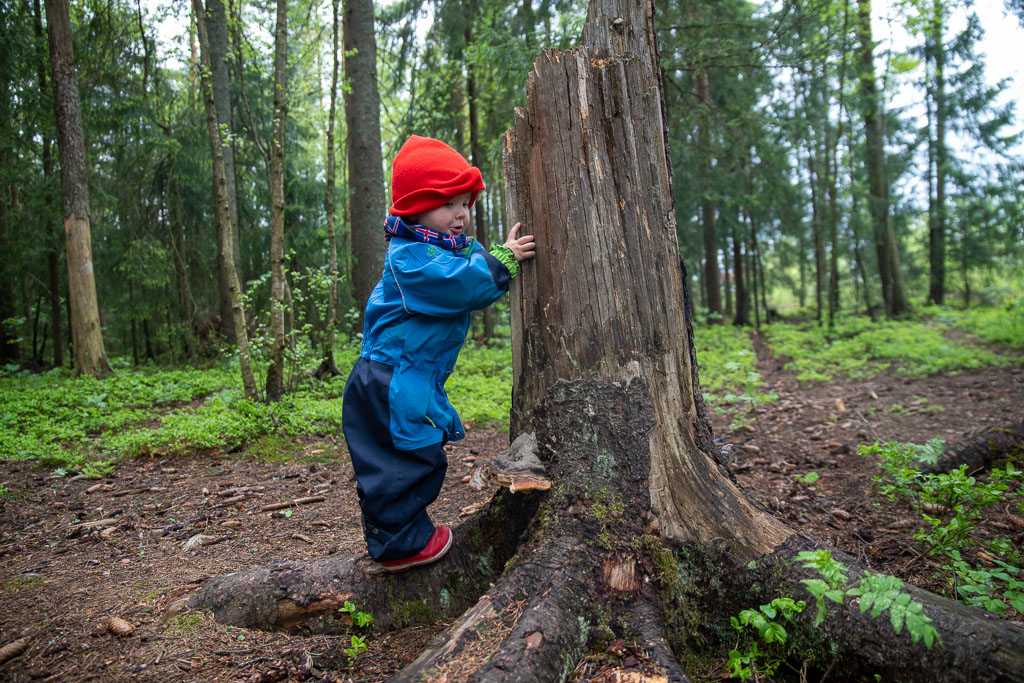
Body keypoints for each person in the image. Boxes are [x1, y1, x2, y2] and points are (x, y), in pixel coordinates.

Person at [342, 135, 536, 573]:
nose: (462, 214)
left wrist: (494, 253)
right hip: (388, 379)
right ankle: (399, 544)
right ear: (415, 207)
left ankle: (398, 537)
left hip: (406, 376)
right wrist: (501, 261)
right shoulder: (409, 259)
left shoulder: (432, 249)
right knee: (402, 462)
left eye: (466, 203)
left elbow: (463, 261)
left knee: (415, 454)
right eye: (449, 203)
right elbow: (459, 284)